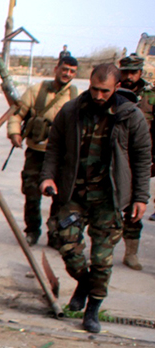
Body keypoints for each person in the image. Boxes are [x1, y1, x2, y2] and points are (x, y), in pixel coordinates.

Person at [40, 63, 151, 333]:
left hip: (109, 198)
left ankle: (93, 308)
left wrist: (140, 197)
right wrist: (48, 177)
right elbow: (54, 147)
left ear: (116, 88)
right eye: (94, 89)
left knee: (102, 260)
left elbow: (142, 158)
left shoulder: (130, 116)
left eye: (105, 91)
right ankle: (84, 282)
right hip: (73, 193)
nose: (98, 96)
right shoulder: (71, 111)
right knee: (67, 246)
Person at [8, 54, 79, 247]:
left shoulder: (76, 96)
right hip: (36, 152)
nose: (67, 74)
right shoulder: (36, 90)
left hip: (62, 155)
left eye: (72, 71)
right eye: (64, 69)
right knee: (32, 194)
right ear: (56, 69)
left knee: (60, 197)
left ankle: (55, 233)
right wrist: (14, 133)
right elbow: (17, 114)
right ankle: (32, 230)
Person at [117, 53, 154, 270]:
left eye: (133, 72)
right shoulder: (113, 90)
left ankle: (131, 253)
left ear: (140, 72)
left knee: (134, 208)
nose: (129, 76)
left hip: (138, 159)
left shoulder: (150, 96)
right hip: (114, 157)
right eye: (125, 72)